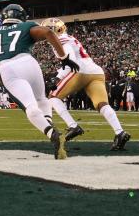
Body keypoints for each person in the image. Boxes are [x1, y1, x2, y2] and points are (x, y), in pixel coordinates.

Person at [0, 4, 71, 159]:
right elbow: (48, 32)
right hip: (29, 63)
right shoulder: (27, 26)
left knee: (30, 107)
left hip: (8, 68)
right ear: (22, 17)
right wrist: (63, 58)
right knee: (41, 99)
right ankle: (49, 122)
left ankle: (52, 134)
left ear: (3, 17)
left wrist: (2, 61)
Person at [42, 18, 131, 150]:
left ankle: (73, 126)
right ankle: (119, 132)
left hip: (80, 71)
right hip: (96, 72)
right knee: (102, 104)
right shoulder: (69, 38)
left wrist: (56, 78)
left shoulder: (61, 40)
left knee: (54, 97)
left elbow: (70, 62)